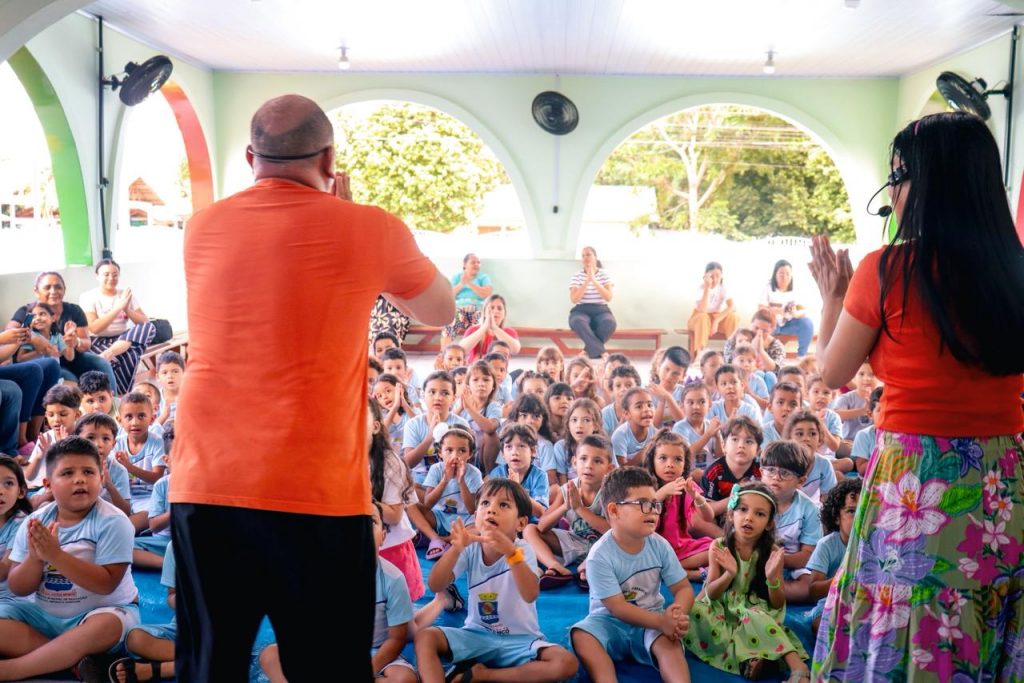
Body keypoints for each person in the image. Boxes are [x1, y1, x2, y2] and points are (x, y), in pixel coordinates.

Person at [169, 94, 454, 682]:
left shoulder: (201, 227)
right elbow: (439, 309)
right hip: (316, 486)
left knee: (209, 665)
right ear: (330, 160)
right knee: (327, 667)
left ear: (251, 157)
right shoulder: (369, 226)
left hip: (208, 478)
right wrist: (355, 228)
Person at [808, 112, 1024, 681]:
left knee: (907, 621)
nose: (894, 193)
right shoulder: (1017, 272)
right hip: (1002, 480)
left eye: (899, 176)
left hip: (915, 479)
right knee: (986, 607)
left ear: (930, 185)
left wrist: (830, 298)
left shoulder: (887, 269)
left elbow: (831, 373)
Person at [0, 437, 139, 681]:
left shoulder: (114, 521)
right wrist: (34, 559)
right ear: (48, 485)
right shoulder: (36, 522)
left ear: (101, 478)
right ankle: (70, 659)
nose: (79, 479)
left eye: (88, 472)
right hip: (42, 616)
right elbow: (18, 587)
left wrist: (55, 556)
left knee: (107, 626)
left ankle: (15, 669)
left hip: (99, 613)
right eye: (67, 473)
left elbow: (106, 583)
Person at [414, 478, 579, 683]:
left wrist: (511, 554)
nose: (491, 510)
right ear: (475, 518)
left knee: (566, 663)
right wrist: (455, 549)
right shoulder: (469, 549)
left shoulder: (521, 549)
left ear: (521, 523)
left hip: (520, 641)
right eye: (485, 503)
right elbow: (435, 585)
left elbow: (530, 594)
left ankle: (484, 675)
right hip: (477, 635)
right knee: (425, 637)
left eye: (503, 505)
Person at [569, 467, 694, 681]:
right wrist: (661, 622)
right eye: (644, 504)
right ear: (614, 510)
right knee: (582, 636)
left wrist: (675, 616)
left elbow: (682, 588)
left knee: (669, 645)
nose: (654, 511)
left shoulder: (660, 546)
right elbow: (617, 607)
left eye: (656, 504)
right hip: (607, 622)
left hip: (651, 619)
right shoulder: (599, 555)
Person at [682, 482, 809, 680]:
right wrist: (729, 574)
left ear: (768, 523)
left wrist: (771, 579)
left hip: (754, 609)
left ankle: (798, 666)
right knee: (691, 612)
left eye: (760, 514)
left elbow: (777, 603)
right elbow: (712, 593)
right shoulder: (719, 545)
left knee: (754, 616)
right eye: (743, 509)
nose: (749, 517)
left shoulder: (773, 552)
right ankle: (757, 660)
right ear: (731, 514)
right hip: (722, 608)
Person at [523, 434, 615, 588]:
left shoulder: (611, 491)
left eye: (597, 461)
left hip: (605, 545)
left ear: (609, 468)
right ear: (574, 462)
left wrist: (580, 509)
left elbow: (614, 530)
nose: (589, 465)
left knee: (624, 538)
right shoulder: (567, 489)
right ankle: (555, 566)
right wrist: (565, 507)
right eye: (583, 459)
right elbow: (542, 526)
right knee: (529, 529)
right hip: (575, 542)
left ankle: (587, 568)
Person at [7, 272, 117, 390]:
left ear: (64, 289)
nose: (53, 291)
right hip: (45, 362)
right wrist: (34, 339)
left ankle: (113, 405)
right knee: (70, 380)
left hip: (72, 356)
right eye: (47, 287)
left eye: (58, 287)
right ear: (36, 291)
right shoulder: (28, 311)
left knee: (100, 363)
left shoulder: (73, 310)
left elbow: (86, 343)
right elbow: (9, 332)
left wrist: (76, 342)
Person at [643, 429, 714, 579]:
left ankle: (670, 570)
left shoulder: (686, 485)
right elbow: (641, 516)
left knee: (719, 547)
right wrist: (662, 493)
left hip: (682, 548)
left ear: (685, 464)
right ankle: (693, 574)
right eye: (663, 458)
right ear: (652, 461)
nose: (670, 465)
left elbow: (708, 517)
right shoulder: (645, 486)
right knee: (641, 559)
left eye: (677, 459)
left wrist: (697, 498)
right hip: (653, 551)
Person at [79, 259, 157, 394]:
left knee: (150, 327)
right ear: (97, 276)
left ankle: (110, 354)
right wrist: (118, 308)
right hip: (98, 341)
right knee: (131, 354)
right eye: (106, 274)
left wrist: (127, 309)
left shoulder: (125, 295)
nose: (111, 278)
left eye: (115, 274)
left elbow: (144, 322)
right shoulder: (88, 297)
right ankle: (121, 394)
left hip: (123, 339)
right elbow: (94, 328)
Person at [568, 246, 616, 359]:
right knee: (577, 321)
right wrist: (587, 281)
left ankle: (587, 351)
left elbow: (608, 297)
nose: (585, 257)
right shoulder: (577, 276)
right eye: (583, 255)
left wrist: (593, 280)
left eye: (588, 254)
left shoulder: (604, 274)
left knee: (610, 323)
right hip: (581, 310)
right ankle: (602, 351)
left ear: (595, 257)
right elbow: (574, 299)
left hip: (601, 310)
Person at [762, 259, 815, 357]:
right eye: (781, 273)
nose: (785, 277)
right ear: (775, 274)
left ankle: (801, 356)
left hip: (788, 324)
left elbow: (803, 310)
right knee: (761, 326)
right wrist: (776, 311)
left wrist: (796, 314)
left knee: (807, 323)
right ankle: (765, 356)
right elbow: (761, 307)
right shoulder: (768, 287)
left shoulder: (796, 288)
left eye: (788, 274)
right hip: (772, 324)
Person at [687, 261, 739, 357]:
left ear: (722, 276)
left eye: (718, 276)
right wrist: (707, 287)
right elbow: (702, 310)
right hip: (698, 319)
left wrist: (716, 321)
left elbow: (732, 306)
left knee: (733, 316)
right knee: (703, 317)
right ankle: (700, 354)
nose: (715, 279)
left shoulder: (723, 287)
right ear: (706, 276)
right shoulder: (701, 288)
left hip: (715, 318)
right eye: (711, 276)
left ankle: (733, 352)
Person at [442, 253, 493, 350]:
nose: (476, 265)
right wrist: (462, 283)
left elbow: (486, 293)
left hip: (477, 309)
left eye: (478, 262)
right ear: (465, 265)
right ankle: (444, 355)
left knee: (481, 327)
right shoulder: (457, 277)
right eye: (473, 262)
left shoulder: (483, 277)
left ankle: (478, 356)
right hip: (460, 309)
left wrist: (469, 283)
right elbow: (449, 295)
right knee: (450, 325)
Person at [459, 293, 520, 362]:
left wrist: (494, 328)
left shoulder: (509, 332)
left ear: (504, 314)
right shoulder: (473, 330)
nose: (495, 311)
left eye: (499, 309)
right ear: (484, 312)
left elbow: (515, 350)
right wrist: (485, 327)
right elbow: (461, 350)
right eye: (491, 308)